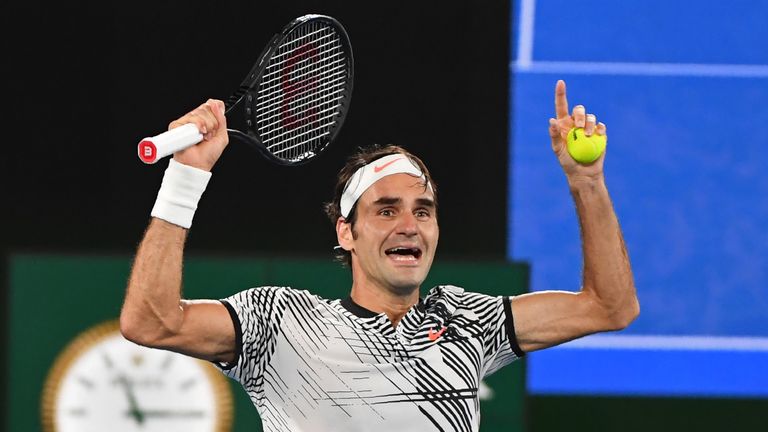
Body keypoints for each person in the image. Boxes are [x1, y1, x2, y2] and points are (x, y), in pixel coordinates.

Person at [120, 79, 639, 431]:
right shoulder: (277, 323)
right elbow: (152, 322)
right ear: (347, 233)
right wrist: (186, 177)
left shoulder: (469, 323)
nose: (409, 225)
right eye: (386, 211)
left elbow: (608, 307)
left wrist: (587, 181)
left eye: (423, 210)